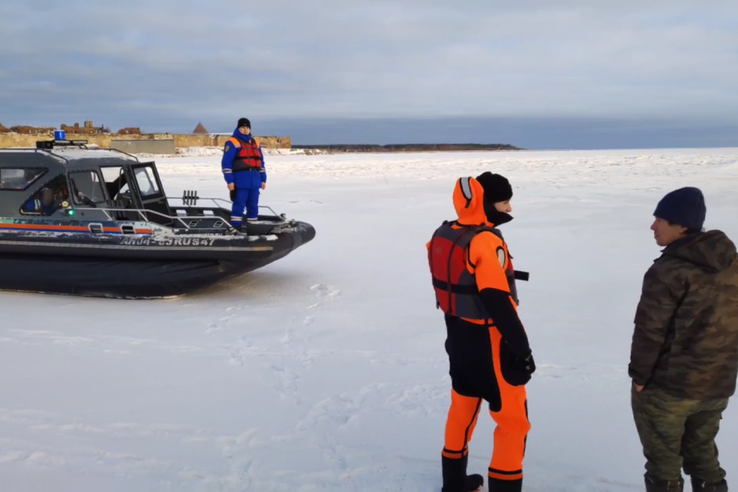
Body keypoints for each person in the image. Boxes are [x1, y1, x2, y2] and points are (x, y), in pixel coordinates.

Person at [427, 172, 535, 492]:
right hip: (492, 342)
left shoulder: (443, 234)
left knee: (463, 405)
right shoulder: (485, 241)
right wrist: (522, 350)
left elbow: (458, 276)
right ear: (486, 204)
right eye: (504, 202)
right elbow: (495, 299)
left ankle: (454, 483)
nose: (509, 207)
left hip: (458, 337)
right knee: (513, 421)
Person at [629, 187, 738, 492]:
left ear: (682, 226)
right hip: (716, 386)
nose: (653, 226)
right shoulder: (732, 264)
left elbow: (650, 331)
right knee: (703, 455)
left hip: (670, 388)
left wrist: (640, 377)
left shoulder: (668, 271)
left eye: (660, 219)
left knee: (663, 465)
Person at [221, 117, 267, 230]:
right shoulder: (232, 143)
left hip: (255, 182)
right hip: (240, 182)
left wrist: (263, 179)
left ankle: (253, 229)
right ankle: (236, 230)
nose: (245, 130)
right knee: (238, 207)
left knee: (253, 207)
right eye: (243, 127)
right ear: (238, 128)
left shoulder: (255, 143)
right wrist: (229, 181)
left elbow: (261, 163)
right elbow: (226, 164)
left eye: (247, 127)